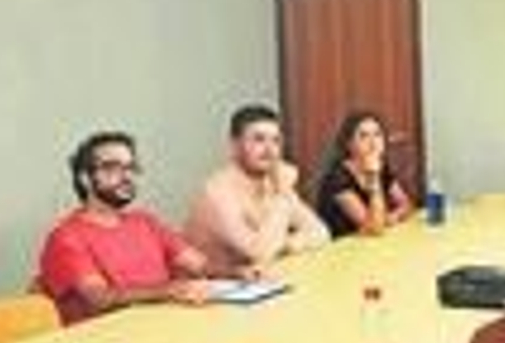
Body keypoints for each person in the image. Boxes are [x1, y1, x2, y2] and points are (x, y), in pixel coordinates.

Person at [37, 130, 220, 324]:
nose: (126, 176)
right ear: (85, 178)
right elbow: (98, 299)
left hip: (158, 329)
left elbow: (200, 265)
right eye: (112, 168)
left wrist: (242, 272)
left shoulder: (145, 221)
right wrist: (169, 291)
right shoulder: (66, 236)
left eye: (131, 167)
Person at [184, 104, 330, 273]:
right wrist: (283, 195)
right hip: (211, 290)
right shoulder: (217, 192)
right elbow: (260, 254)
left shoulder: (272, 181)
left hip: (254, 284)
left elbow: (320, 232)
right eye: (259, 139)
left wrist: (283, 245)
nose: (270, 150)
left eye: (276, 141)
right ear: (234, 145)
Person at [312, 110, 414, 237]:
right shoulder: (338, 178)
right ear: (349, 144)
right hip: (341, 248)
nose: (373, 142)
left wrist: (393, 217)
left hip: (368, 244)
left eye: (377, 134)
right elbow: (374, 228)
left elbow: (406, 204)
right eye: (363, 136)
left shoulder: (381, 166)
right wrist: (374, 176)